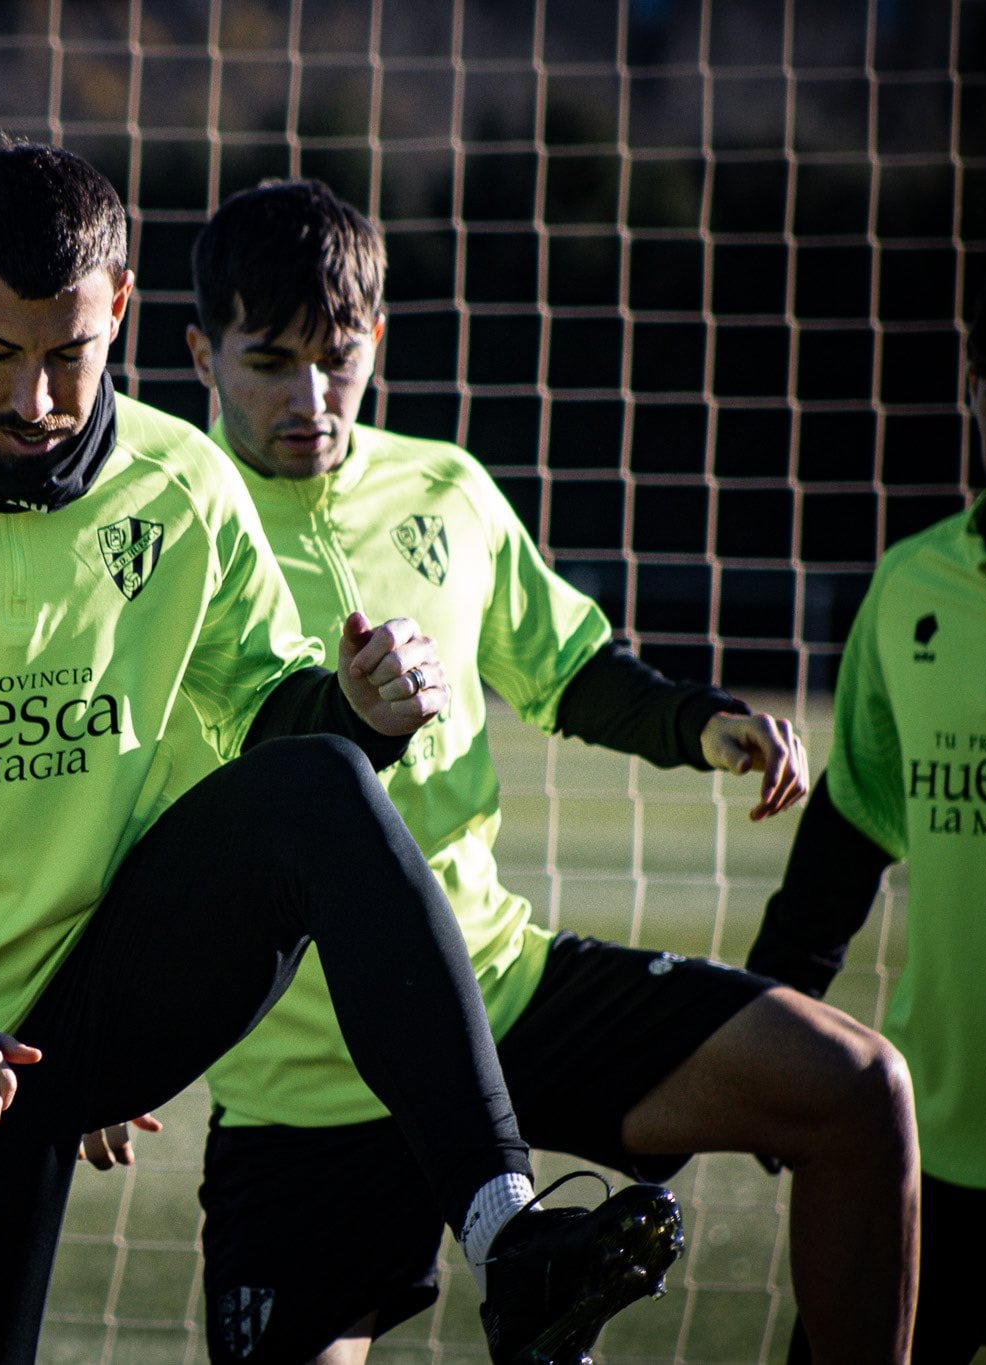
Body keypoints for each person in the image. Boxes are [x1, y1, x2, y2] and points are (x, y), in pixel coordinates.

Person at [0, 143, 685, 1365]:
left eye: (69, 354)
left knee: (321, 784)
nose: (35, 399)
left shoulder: (181, 480)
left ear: (124, 315)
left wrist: (355, 711)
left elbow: (273, 726)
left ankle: (506, 1234)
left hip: (104, 996)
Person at [178, 179, 917, 1363]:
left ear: (377, 341)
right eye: (268, 361)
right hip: (300, 1087)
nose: (309, 400)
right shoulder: (163, 522)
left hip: (495, 992)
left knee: (856, 1089)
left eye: (339, 357)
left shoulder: (446, 491)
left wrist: (697, 722)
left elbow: (563, 666)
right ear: (198, 352)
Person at [747, 238, 986, 1364]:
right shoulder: (908, 587)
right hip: (941, 1141)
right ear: (969, 393)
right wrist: (772, 1026)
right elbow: (847, 832)